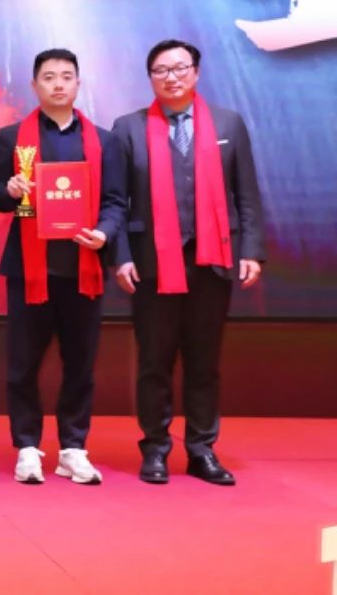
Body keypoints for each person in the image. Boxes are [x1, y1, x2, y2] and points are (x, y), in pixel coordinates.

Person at [112, 39, 264, 486]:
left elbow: (247, 194)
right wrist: (120, 257)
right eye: (161, 70)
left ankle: (201, 450)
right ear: (150, 78)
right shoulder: (128, 128)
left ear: (196, 72)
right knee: (154, 361)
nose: (172, 77)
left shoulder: (228, 124)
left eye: (180, 68)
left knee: (204, 361)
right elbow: (115, 201)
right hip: (151, 263)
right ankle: (155, 448)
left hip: (212, 261)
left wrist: (251, 249)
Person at [0, 48, 127, 485]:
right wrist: (10, 191)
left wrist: (104, 232)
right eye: (49, 77)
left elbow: (116, 202)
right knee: (22, 365)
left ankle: (73, 448)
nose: (58, 84)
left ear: (78, 83)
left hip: (83, 266)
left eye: (67, 76)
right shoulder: (11, 138)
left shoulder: (104, 141)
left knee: (80, 364)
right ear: (35, 85)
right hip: (29, 269)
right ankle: (27, 447)